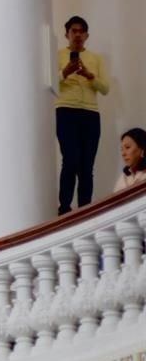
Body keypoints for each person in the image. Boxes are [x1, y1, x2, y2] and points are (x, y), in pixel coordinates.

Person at [55, 15, 110, 215]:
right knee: (70, 160)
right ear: (66, 34)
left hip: (90, 114)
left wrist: (89, 76)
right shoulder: (58, 55)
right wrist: (64, 72)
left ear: (87, 35)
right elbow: (49, 84)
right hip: (65, 111)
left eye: (81, 31)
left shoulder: (96, 59)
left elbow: (105, 88)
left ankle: (85, 211)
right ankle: (64, 209)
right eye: (73, 31)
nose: (77, 35)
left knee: (87, 165)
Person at [113, 128, 146, 192]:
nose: (123, 153)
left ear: (142, 150)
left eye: (127, 147)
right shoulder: (123, 178)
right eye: (122, 149)